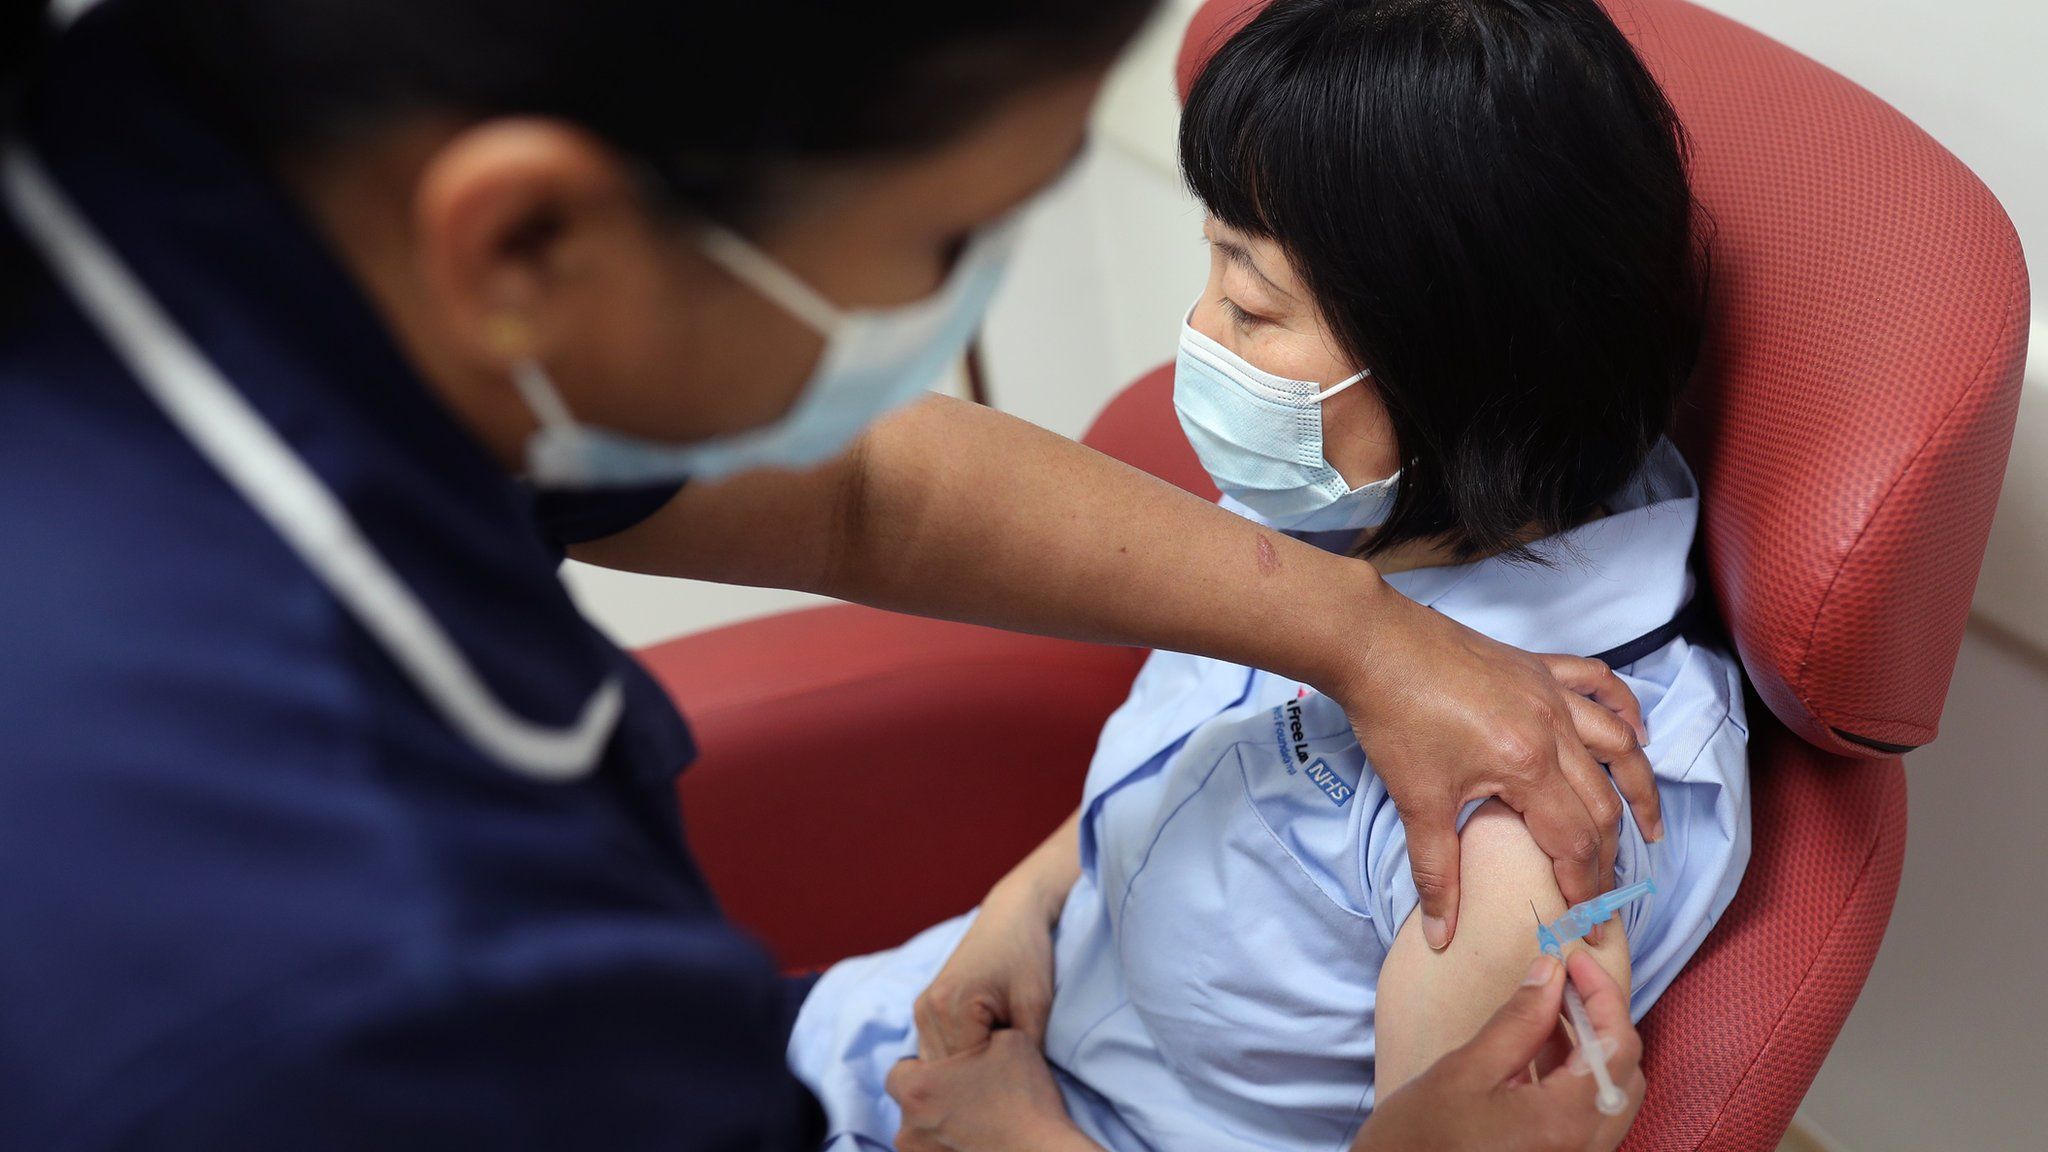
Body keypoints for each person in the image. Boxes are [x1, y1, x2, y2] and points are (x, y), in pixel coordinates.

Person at [0, 0, 1653, 1147]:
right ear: (523, 245)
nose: (955, 302)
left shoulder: (195, 179)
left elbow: (863, 489)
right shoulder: (389, 991)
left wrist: (1353, 632)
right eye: (942, 239)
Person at [786, 1, 1749, 1149]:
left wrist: (1018, 1139)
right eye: (1215, 272)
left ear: (1462, 373)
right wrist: (1025, 904)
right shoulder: (1355, 511)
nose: (1195, 334)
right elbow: (1191, 745)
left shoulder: (1526, 831)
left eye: (1249, 308)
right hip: (908, 1026)